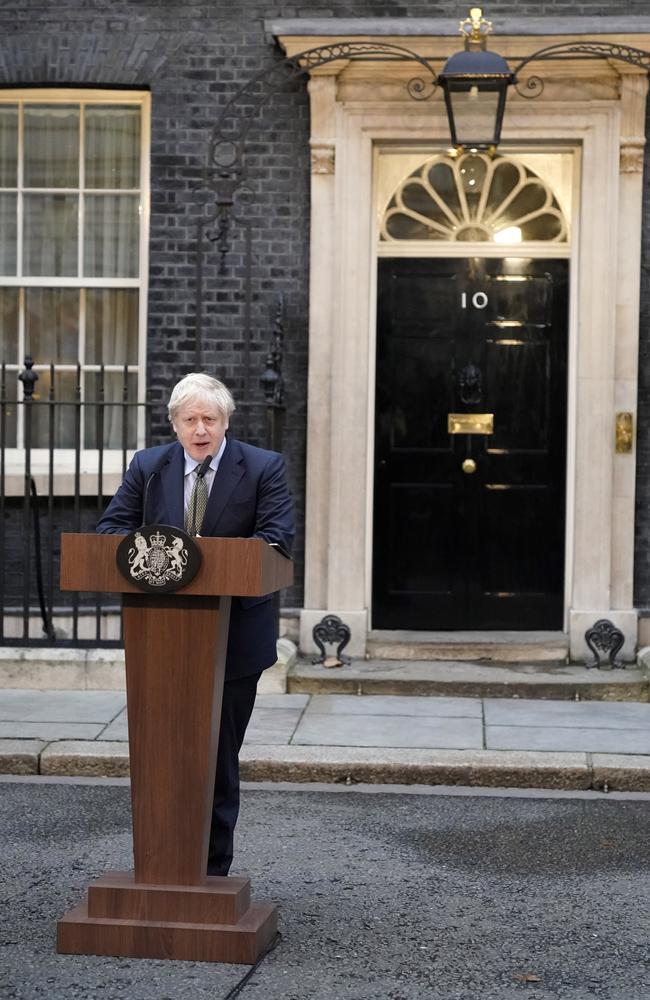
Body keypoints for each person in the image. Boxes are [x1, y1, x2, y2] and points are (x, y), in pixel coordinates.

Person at [96, 372, 295, 876]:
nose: (200, 429)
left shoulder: (263, 467)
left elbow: (275, 540)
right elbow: (112, 529)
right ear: (175, 424)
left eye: (210, 419)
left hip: (234, 643)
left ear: (226, 421)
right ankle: (160, 868)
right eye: (191, 420)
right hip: (160, 640)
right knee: (162, 758)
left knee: (216, 761)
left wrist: (211, 560)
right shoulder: (149, 467)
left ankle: (210, 872)